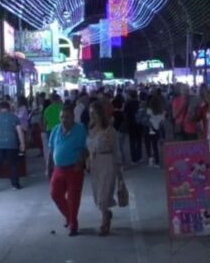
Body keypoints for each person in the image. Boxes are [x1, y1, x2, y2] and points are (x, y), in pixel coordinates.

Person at [49, 105, 88, 236]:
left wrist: (80, 163)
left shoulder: (80, 130)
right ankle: (70, 218)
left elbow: (84, 149)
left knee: (73, 197)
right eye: (62, 117)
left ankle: (73, 225)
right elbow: (51, 149)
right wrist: (48, 167)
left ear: (73, 118)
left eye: (67, 117)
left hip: (74, 168)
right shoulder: (55, 130)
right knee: (55, 194)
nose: (64, 120)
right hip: (58, 168)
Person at [87, 101, 122, 236]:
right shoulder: (91, 129)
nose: (93, 117)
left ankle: (104, 222)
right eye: (91, 114)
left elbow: (116, 150)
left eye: (95, 114)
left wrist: (119, 168)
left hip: (107, 163)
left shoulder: (109, 131)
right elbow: (89, 148)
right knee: (97, 195)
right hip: (95, 164)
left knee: (104, 195)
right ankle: (106, 213)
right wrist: (88, 160)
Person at [0, 101, 25, 192]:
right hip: (12, 144)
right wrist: (22, 143)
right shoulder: (14, 117)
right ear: (9, 107)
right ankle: (15, 184)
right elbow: (19, 131)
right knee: (13, 165)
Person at [42, 94, 64, 178]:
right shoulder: (62, 108)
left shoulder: (47, 109)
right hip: (61, 129)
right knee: (61, 147)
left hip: (50, 130)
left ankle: (53, 166)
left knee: (52, 149)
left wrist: (44, 130)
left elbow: (44, 122)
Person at [145, 95, 165, 167]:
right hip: (157, 130)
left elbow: (147, 120)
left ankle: (150, 160)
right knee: (155, 146)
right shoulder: (162, 111)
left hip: (150, 129)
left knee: (148, 144)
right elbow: (162, 122)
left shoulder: (149, 110)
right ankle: (157, 161)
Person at [124, 90, 143, 163]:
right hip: (139, 124)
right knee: (139, 140)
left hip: (131, 124)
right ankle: (139, 156)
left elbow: (125, 114)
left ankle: (134, 158)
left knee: (132, 141)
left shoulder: (127, 104)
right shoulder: (139, 103)